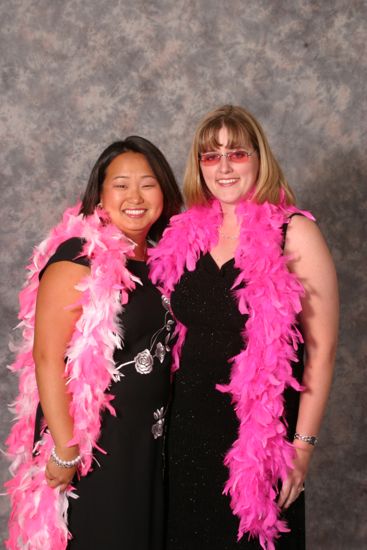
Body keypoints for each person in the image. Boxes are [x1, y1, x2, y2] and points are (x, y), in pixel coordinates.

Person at [149, 105, 339, 550]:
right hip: (186, 435)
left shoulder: (294, 234)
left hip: (260, 439)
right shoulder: (185, 235)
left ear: (259, 158)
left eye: (236, 153)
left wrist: (303, 446)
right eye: (211, 156)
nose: (224, 166)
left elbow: (323, 349)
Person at [5, 136, 183, 550]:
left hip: (148, 445)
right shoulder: (76, 259)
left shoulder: (159, 263)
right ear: (100, 195)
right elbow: (47, 358)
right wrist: (67, 450)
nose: (135, 196)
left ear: (164, 191)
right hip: (95, 449)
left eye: (148, 183)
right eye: (121, 184)